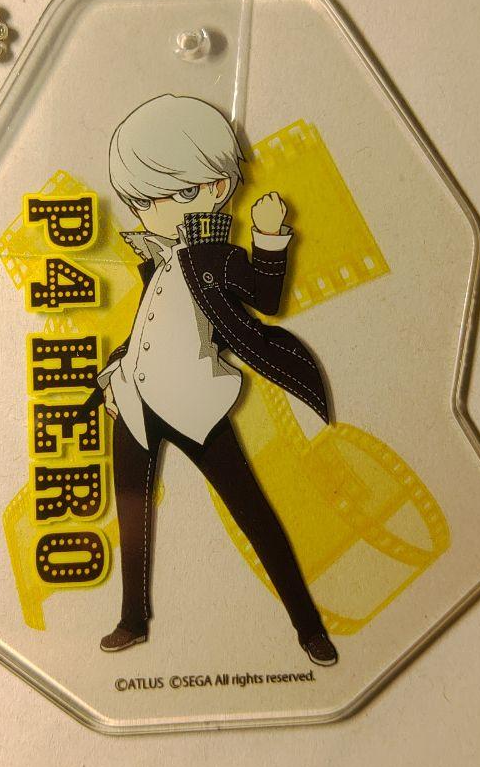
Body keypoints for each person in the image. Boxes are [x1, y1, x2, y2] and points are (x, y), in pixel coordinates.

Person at [87, 94, 338, 666]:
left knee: (253, 513)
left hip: (196, 404)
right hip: (133, 402)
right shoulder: (158, 260)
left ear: (218, 187)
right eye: (145, 200)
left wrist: (269, 237)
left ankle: (308, 627)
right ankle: (132, 620)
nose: (156, 211)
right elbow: (150, 324)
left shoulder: (215, 258)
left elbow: (267, 299)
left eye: (175, 193)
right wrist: (115, 370)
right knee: (132, 513)